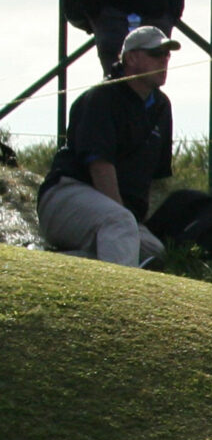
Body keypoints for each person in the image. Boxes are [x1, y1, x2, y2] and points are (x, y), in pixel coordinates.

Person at [36, 25, 173, 268]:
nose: (164, 60)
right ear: (131, 57)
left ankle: (50, 264)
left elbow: (155, 179)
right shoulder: (102, 97)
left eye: (167, 55)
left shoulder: (161, 107)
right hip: (65, 196)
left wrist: (136, 223)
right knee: (120, 226)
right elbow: (100, 168)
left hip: (109, 212)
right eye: (155, 54)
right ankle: (123, 299)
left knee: (153, 251)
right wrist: (126, 220)